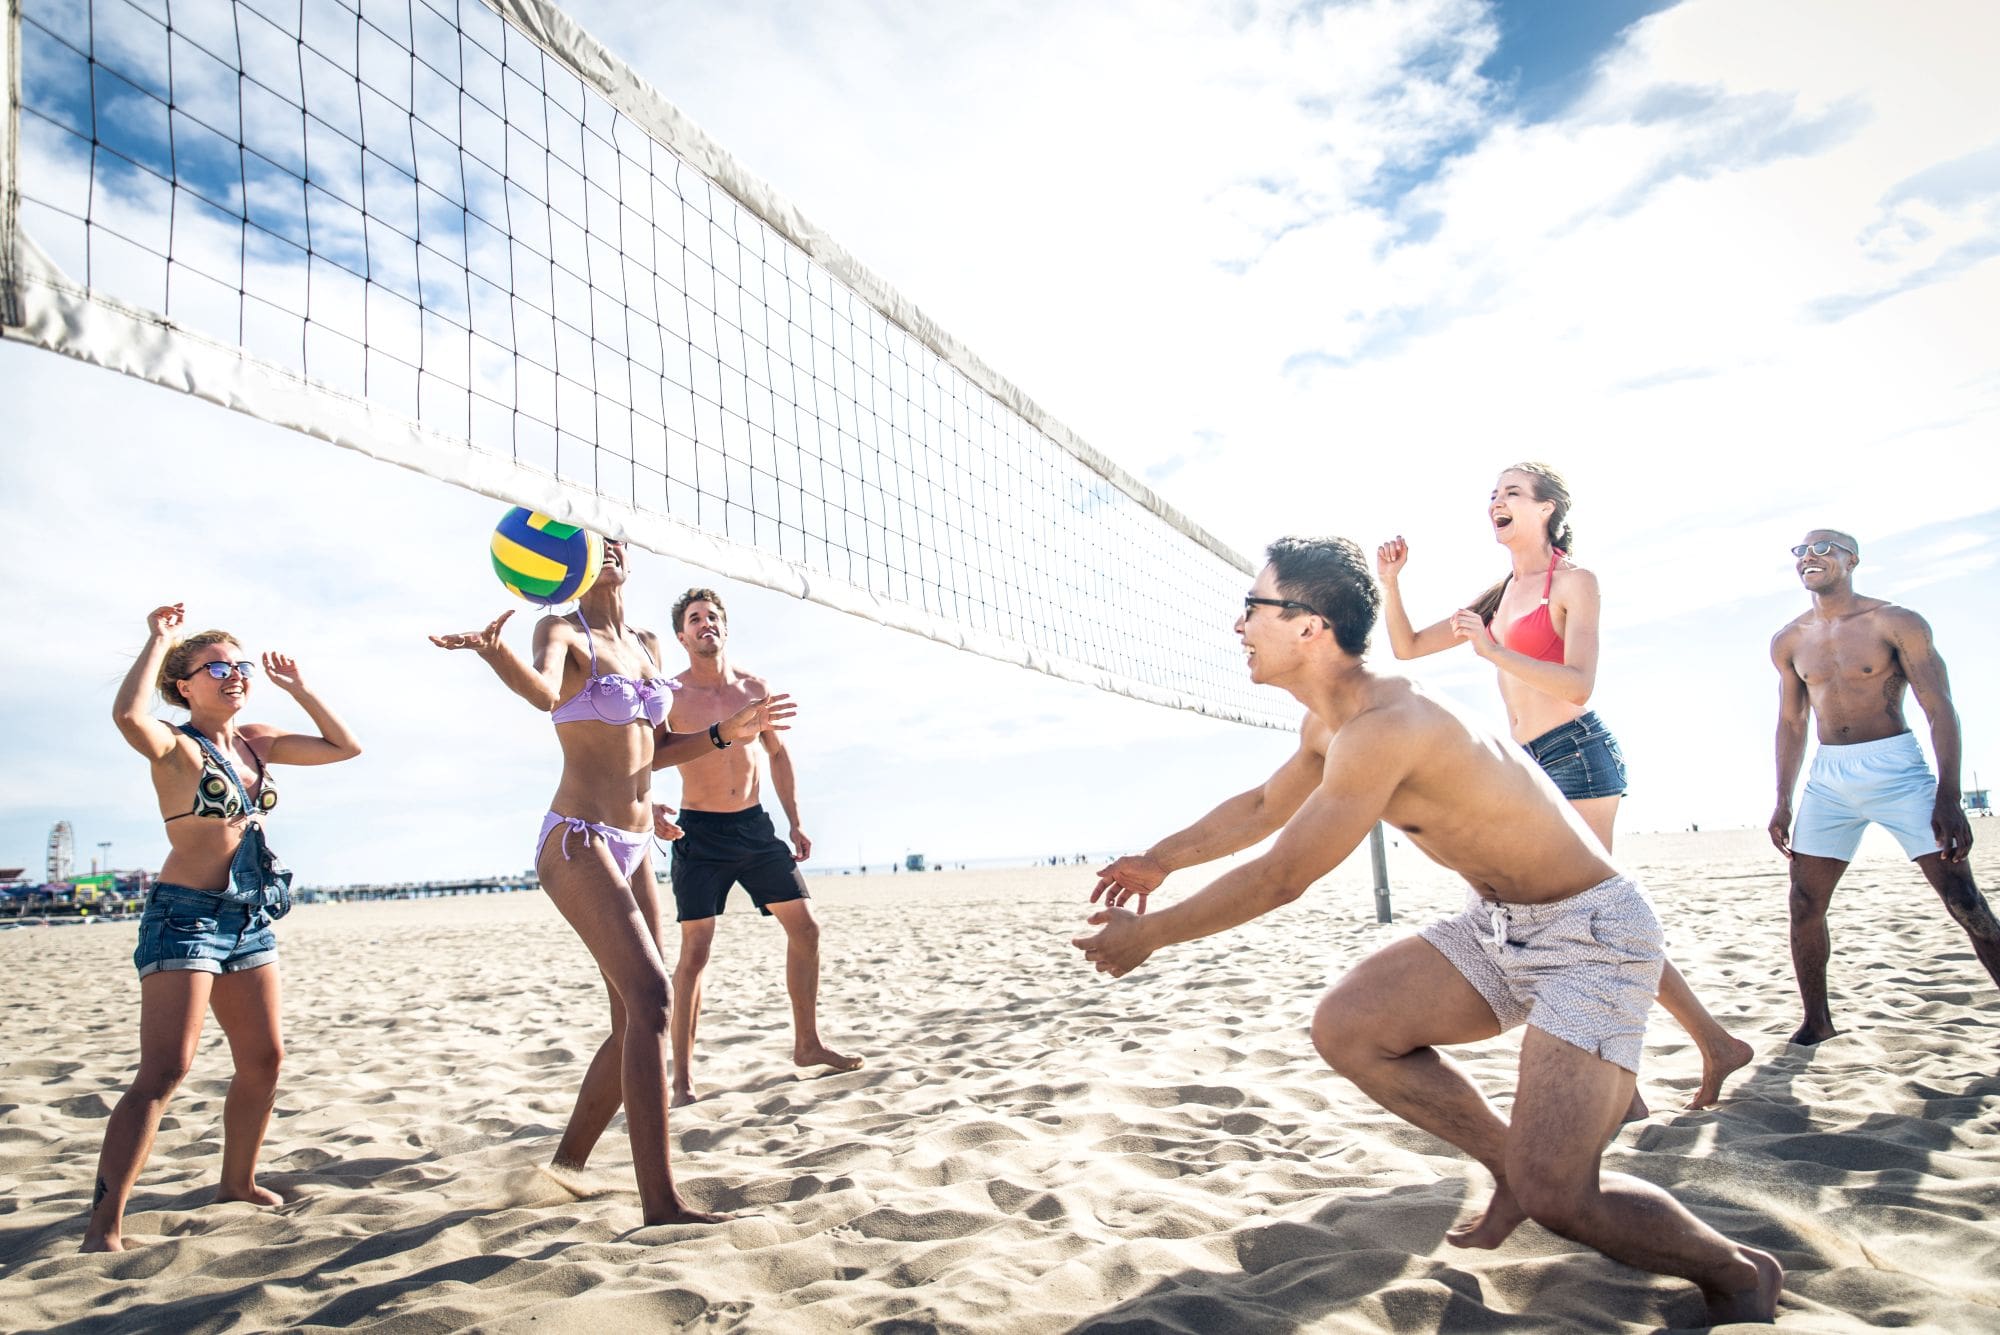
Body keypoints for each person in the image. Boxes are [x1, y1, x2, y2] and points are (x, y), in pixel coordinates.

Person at [1073, 538, 1781, 1325]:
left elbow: (1284, 874)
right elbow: (1264, 807)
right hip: (1501, 923)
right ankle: (1505, 1160)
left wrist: (1153, 935)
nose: (1239, 625)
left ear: (1309, 625)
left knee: (1562, 1196)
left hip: (1591, 934)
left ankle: (1739, 1272)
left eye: (1253, 607)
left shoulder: (1386, 721)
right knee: (1349, 1025)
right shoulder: (1332, 720)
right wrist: (1159, 861)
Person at [431, 540, 792, 1226]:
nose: (611, 547)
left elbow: (653, 750)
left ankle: (564, 1167)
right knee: (655, 996)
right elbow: (543, 693)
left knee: (632, 1016)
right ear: (572, 559)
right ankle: (661, 1202)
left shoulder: (649, 642)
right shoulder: (561, 629)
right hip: (577, 838)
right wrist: (492, 651)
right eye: (595, 541)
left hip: (632, 841)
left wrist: (724, 731)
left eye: (616, 538)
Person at [1375, 463, 1751, 1112]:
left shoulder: (1573, 582)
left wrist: (1492, 652)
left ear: (1547, 509)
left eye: (1512, 492)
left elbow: (1578, 683)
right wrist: (1391, 582)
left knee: (1587, 917)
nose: (1497, 500)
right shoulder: (1497, 594)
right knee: (1583, 921)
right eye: (1493, 493)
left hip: (1576, 754)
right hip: (1527, 766)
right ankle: (1708, 1046)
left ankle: (1641, 1081)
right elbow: (1406, 648)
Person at [86, 604, 362, 1251]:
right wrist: (157, 639)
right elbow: (129, 715)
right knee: (165, 1069)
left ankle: (236, 1183)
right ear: (185, 684)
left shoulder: (258, 742)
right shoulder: (177, 747)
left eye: (240, 665)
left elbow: (345, 746)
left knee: (265, 1058)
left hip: (247, 914)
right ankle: (103, 1226)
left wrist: (302, 689)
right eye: (217, 667)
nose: (234, 674)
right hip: (184, 915)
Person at [1769, 529, 2000, 1044]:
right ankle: (1817, 1021)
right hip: (1829, 778)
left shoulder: (1896, 622)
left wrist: (1949, 794)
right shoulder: (1789, 639)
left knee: (1963, 898)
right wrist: (1782, 799)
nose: (1810, 556)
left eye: (1824, 548)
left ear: (1852, 560)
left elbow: (1939, 708)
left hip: (1897, 769)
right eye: (1801, 550)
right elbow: (1791, 723)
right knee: (1805, 903)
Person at [661, 586, 860, 1108]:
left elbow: (777, 753)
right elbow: (651, 757)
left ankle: (807, 1044)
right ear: (682, 635)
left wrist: (794, 820)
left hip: (754, 827)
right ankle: (681, 1080)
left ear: (724, 629)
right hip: (698, 833)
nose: (707, 624)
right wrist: (650, 812)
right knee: (695, 955)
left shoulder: (753, 689)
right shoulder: (671, 694)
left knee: (807, 928)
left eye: (713, 617)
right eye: (696, 619)